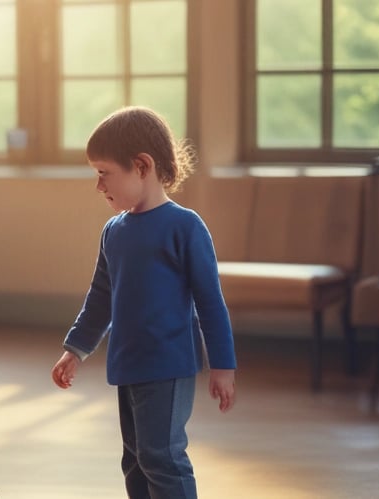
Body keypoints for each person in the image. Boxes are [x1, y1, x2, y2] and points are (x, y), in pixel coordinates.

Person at [50, 106, 237, 498]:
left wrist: (223, 365)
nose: (99, 186)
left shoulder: (185, 227)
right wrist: (75, 350)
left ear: (141, 165)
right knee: (135, 458)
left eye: (104, 173)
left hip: (168, 365)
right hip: (128, 364)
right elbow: (100, 298)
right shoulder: (113, 233)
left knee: (162, 456)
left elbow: (210, 302)